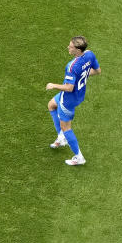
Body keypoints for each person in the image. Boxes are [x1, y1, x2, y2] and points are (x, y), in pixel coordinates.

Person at [46, 35, 101, 166]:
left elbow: (69, 88)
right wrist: (84, 73)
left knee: (66, 128)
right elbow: (97, 71)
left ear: (77, 50)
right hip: (79, 95)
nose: (68, 48)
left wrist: (53, 85)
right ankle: (61, 137)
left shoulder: (71, 67)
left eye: (70, 46)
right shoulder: (89, 54)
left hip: (68, 100)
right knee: (51, 105)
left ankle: (79, 157)